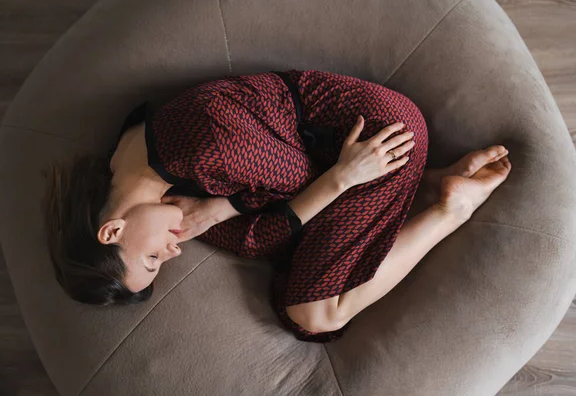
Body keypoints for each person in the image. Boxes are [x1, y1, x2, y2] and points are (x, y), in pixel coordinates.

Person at [42, 69, 511, 343]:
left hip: (379, 139)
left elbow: (297, 182)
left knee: (313, 313)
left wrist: (226, 209)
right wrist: (224, 212)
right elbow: (260, 235)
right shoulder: (144, 177)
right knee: (291, 258)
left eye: (150, 259)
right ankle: (427, 187)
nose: (171, 254)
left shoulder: (200, 147)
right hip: (340, 157)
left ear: (112, 231)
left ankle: (449, 208)